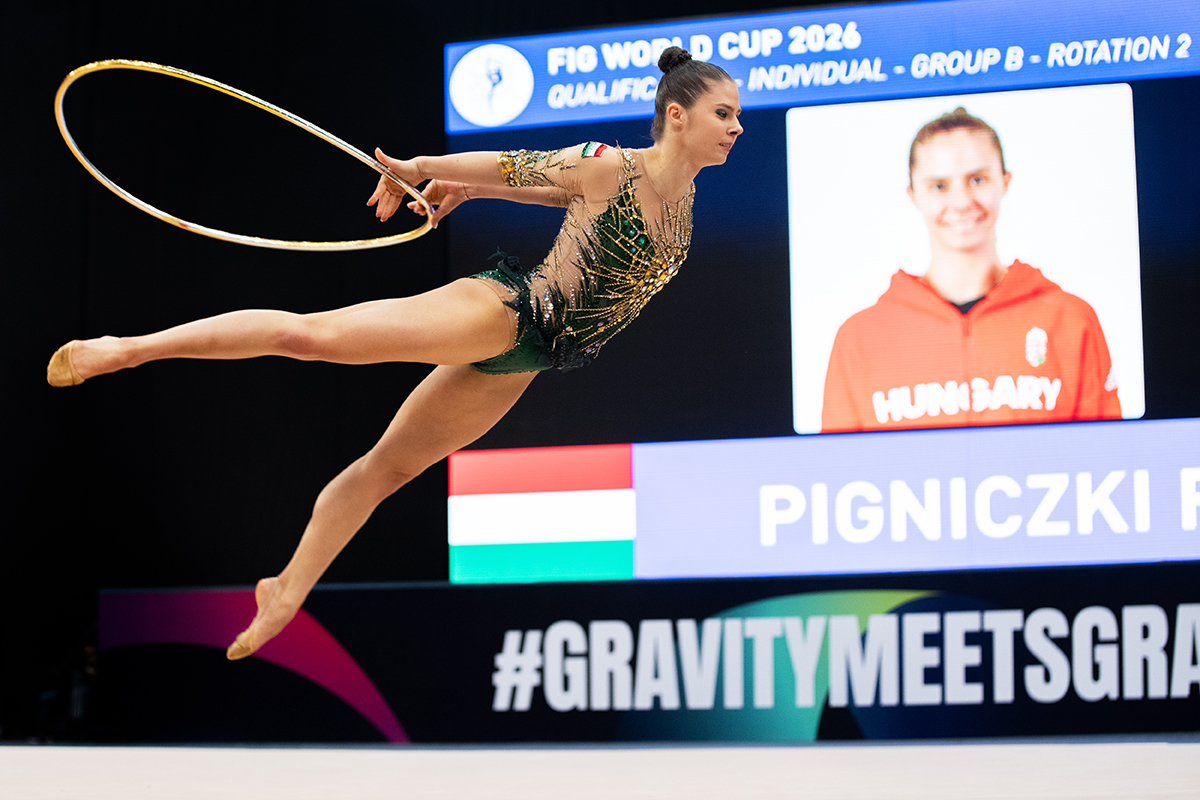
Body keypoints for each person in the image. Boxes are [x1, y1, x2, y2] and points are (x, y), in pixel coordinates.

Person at [46, 47, 742, 660]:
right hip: (504, 315)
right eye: (724, 113)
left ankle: (286, 590)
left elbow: (549, 195)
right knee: (308, 337)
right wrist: (424, 168)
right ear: (676, 115)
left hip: (527, 361)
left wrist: (470, 190)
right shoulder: (612, 165)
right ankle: (126, 349)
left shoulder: (683, 203)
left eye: (736, 116)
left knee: (385, 471)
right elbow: (517, 163)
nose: (737, 127)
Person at [820, 107, 1121, 433]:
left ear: (1004, 182)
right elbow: (837, 464)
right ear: (913, 195)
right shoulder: (858, 339)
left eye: (977, 180)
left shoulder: (1072, 321)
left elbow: (1109, 457)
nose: (962, 202)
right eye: (939, 186)